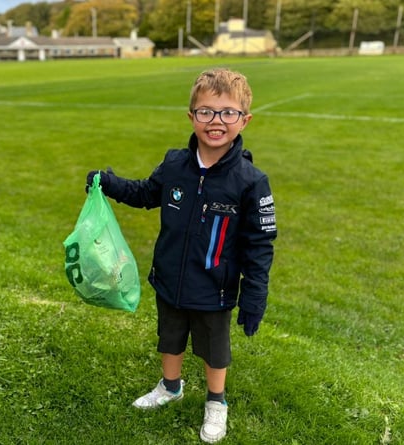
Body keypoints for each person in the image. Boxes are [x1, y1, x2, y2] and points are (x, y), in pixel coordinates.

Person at [86, 68, 276, 443]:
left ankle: (216, 403)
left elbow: (259, 244)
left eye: (227, 112)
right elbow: (144, 193)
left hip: (214, 289)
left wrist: (255, 294)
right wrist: (109, 182)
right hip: (169, 279)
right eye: (205, 111)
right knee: (169, 338)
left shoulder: (251, 181)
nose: (216, 121)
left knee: (213, 350)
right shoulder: (174, 164)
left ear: (245, 120)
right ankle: (170, 387)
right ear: (192, 116)